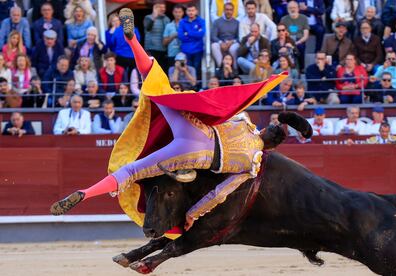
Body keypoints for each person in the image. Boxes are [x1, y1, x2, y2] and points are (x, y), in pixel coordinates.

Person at [50, 8, 290, 232]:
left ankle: (132, 40)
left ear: (264, 131)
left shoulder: (245, 124)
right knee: (132, 171)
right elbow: (218, 194)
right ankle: (85, 193)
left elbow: (221, 110)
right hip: (193, 154)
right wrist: (193, 214)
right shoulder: (252, 165)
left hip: (196, 130)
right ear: (271, 146)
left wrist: (191, 103)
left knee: (157, 82)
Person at [177, 4, 205, 78]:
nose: (191, 12)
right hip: (186, 50)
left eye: (193, 10)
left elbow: (201, 34)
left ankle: (197, 86)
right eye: (189, 10)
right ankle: (190, 87)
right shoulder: (182, 22)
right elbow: (181, 36)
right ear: (186, 12)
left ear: (196, 11)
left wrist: (188, 33)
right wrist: (195, 33)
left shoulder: (201, 21)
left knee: (197, 69)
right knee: (187, 69)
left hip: (198, 49)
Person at [280, 1, 310, 69]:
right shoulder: (284, 19)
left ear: (298, 8)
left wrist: (297, 42)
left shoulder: (304, 18)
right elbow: (281, 33)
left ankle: (302, 68)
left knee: (300, 47)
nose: (292, 9)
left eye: (294, 7)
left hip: (299, 40)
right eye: (290, 8)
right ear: (287, 9)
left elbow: (306, 35)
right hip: (288, 40)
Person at [211, 2, 240, 69]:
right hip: (221, 42)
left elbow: (239, 37)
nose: (228, 12)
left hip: (232, 43)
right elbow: (213, 36)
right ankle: (221, 67)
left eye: (230, 10)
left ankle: (235, 69)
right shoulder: (217, 22)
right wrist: (221, 43)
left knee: (234, 48)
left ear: (233, 11)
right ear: (224, 10)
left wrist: (232, 42)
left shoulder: (237, 22)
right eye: (227, 9)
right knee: (214, 45)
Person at [144, 0, 170, 71]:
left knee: (162, 70)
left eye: (164, 7)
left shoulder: (167, 19)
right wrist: (154, 17)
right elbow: (148, 28)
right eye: (160, 7)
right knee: (152, 70)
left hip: (163, 49)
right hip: (151, 49)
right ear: (154, 8)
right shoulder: (148, 17)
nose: (163, 9)